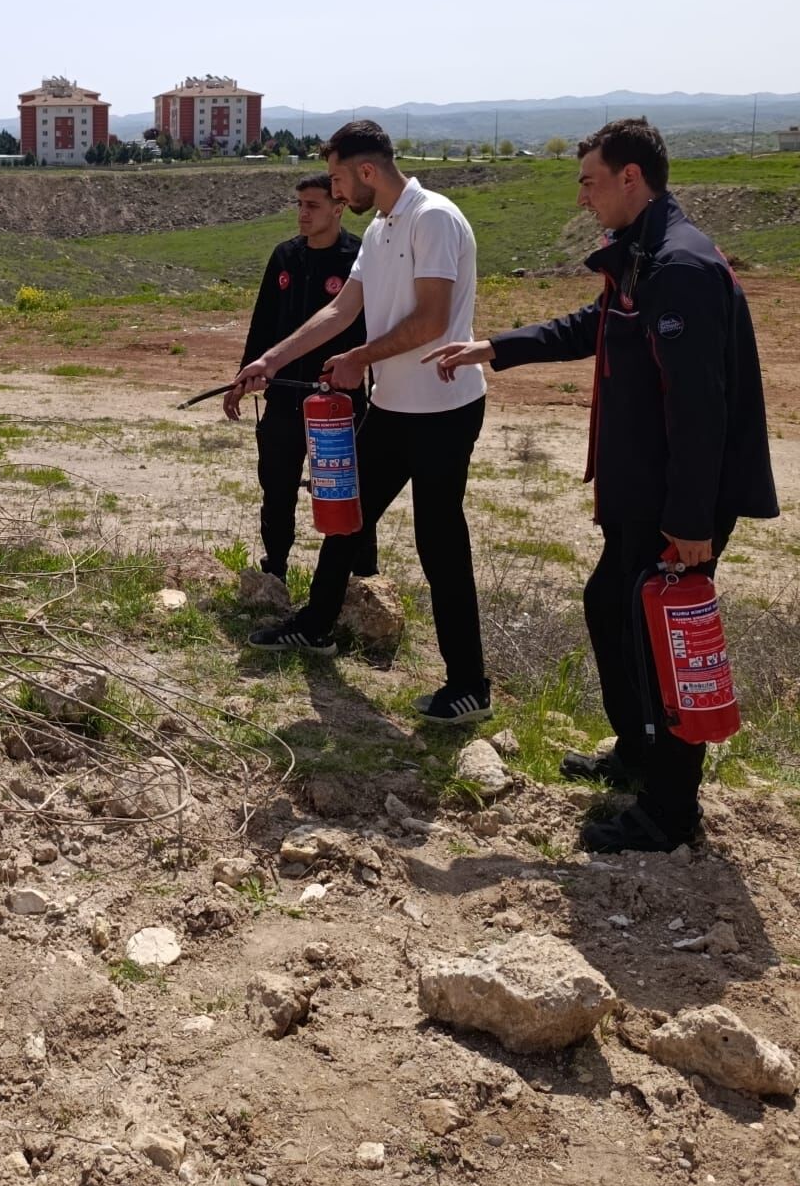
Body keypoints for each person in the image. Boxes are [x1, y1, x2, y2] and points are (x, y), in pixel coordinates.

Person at [424, 117, 779, 853]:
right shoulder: (643, 258)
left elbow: (700, 411)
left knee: (660, 639)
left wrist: (690, 523)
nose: (582, 197)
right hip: (640, 491)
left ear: (630, 178)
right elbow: (599, 323)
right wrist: (500, 347)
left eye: (589, 181)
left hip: (676, 499)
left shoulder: (681, 267)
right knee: (610, 606)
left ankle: (670, 811)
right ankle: (638, 753)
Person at [228, 122, 492, 724]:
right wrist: (272, 359)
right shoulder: (382, 228)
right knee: (345, 514)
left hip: (445, 409)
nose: (337, 192)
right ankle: (317, 627)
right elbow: (343, 308)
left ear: (367, 171)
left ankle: (469, 684)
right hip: (396, 407)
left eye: (341, 177)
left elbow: (432, 320)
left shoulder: (434, 219)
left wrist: (359, 359)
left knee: (440, 540)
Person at [226, 171, 378, 582]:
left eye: (312, 205)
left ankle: (361, 579)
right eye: (299, 205)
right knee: (276, 490)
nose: (303, 214)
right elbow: (263, 325)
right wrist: (243, 377)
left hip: (338, 403)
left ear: (338, 207)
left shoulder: (359, 259)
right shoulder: (285, 257)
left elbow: (373, 330)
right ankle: (273, 569)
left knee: (347, 492)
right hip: (282, 401)